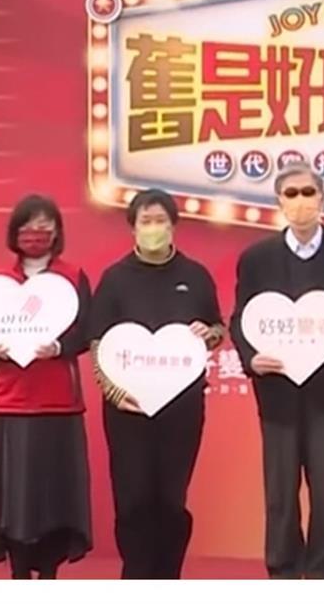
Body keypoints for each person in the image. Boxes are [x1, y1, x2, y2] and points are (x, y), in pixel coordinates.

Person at [229, 162, 324, 579]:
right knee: (280, 492)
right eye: (291, 194)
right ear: (279, 201)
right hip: (276, 390)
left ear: (322, 198)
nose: (300, 201)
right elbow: (241, 319)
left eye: (308, 193)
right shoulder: (257, 258)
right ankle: (283, 570)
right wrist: (251, 357)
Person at [89, 189, 224, 580]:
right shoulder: (115, 279)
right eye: (145, 221)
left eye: (160, 220)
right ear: (132, 228)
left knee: (170, 498)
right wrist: (114, 393)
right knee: (133, 498)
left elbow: (217, 327)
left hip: (182, 408)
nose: (153, 228)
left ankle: (168, 576)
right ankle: (136, 575)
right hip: (128, 409)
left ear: (173, 225)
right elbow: (97, 344)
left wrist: (210, 334)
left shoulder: (195, 275)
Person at [0, 194, 92, 579]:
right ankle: (18, 568)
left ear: (57, 232)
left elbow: (86, 331)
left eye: (45, 225)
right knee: (15, 499)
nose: (36, 232)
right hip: (11, 403)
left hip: (59, 402)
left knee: (54, 495)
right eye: (28, 225)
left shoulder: (73, 277)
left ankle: (50, 569)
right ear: (14, 232)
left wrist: (59, 347)